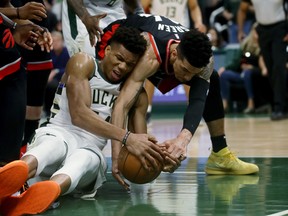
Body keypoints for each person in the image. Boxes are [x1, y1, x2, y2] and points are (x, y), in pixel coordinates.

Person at [0, 26, 156, 215]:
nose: (122, 67)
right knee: (52, 146)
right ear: (107, 51)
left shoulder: (136, 95)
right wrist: (126, 136)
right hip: (59, 131)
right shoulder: (83, 63)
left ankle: (47, 192)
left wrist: (160, 160)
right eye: (119, 58)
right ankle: (18, 174)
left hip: (91, 149)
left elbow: (139, 143)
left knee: (84, 159)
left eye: (130, 64)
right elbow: (80, 115)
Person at [96, 14, 259, 191]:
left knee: (212, 79)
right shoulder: (149, 53)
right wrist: (117, 156)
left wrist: (182, 141)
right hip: (118, 39)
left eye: (193, 73)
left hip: (159, 49)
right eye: (185, 70)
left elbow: (198, 99)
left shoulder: (205, 60)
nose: (187, 78)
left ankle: (220, 154)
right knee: (136, 97)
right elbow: (122, 105)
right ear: (175, 54)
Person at [0, 4, 52, 167]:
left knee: (8, 156)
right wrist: (17, 13)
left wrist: (17, 26)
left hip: (10, 64)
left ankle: (9, 174)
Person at [140, 0, 207, 123]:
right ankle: (147, 110)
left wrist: (198, 22)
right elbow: (141, 8)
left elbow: (194, 7)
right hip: (159, 32)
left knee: (188, 72)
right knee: (151, 71)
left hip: (180, 32)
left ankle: (193, 111)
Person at [237, 0, 288, 120]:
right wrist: (240, 30)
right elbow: (242, 9)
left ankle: (279, 107)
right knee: (269, 69)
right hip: (262, 30)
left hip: (280, 28)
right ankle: (281, 104)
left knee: (278, 67)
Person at [62, 0, 144, 57]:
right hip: (82, 10)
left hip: (113, 9)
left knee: (123, 53)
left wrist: (140, 13)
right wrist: (85, 18)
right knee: (85, 60)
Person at [218, 23, 267, 113]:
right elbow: (236, 61)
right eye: (255, 32)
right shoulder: (245, 45)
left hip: (256, 74)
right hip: (242, 73)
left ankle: (251, 103)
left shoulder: (265, 45)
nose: (257, 35)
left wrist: (252, 67)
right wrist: (225, 68)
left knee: (248, 73)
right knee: (224, 75)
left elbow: (265, 66)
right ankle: (224, 105)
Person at [43, 30, 70, 117]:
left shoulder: (67, 52)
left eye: (57, 41)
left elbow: (69, 69)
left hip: (64, 80)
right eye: (53, 41)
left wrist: (56, 71)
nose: (55, 43)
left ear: (62, 41)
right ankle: (46, 110)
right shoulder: (49, 52)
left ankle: (54, 109)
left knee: (52, 85)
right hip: (50, 78)